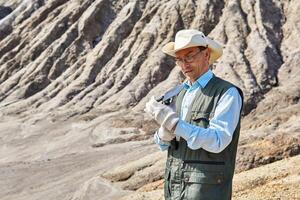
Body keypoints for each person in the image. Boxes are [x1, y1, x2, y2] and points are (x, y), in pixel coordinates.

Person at [145, 29, 243, 200]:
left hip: (206, 191)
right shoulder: (177, 94)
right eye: (179, 60)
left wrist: (174, 124)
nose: (184, 64)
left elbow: (218, 140)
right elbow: (162, 145)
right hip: (174, 188)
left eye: (189, 56)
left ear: (206, 54)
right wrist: (163, 134)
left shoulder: (227, 93)